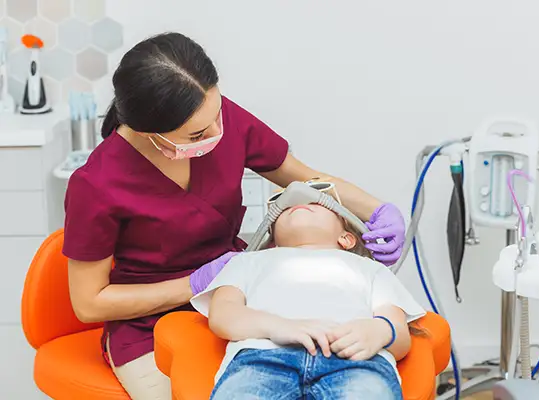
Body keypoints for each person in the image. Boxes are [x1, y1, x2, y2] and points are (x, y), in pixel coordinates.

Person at [62, 32, 406, 400]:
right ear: (151, 134)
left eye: (218, 113)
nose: (217, 133)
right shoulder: (96, 184)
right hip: (150, 327)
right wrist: (193, 284)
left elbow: (300, 174)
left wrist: (377, 210)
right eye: (197, 134)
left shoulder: (215, 115)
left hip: (243, 298)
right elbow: (89, 303)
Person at [191, 202, 426, 399]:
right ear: (273, 239)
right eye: (285, 205)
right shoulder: (248, 262)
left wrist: (380, 330)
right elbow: (223, 315)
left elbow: (400, 335)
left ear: (346, 238)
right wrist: (279, 326)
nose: (298, 202)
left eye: (317, 201)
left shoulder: (370, 269)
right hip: (262, 357)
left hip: (355, 361)